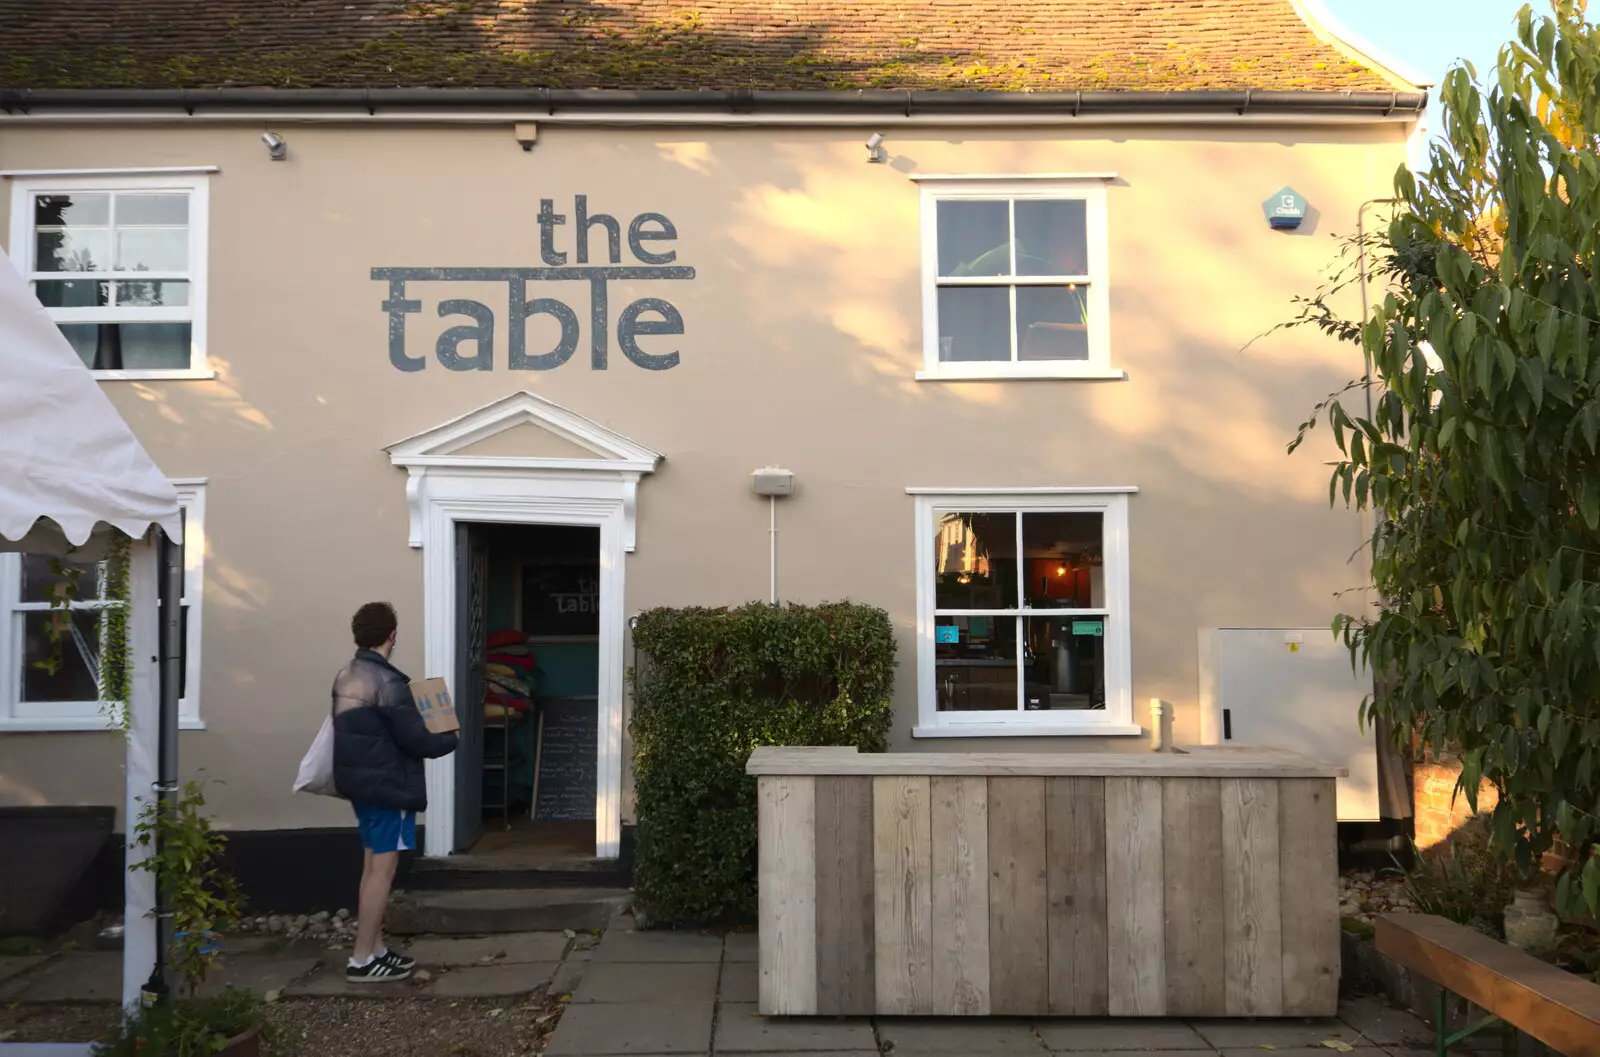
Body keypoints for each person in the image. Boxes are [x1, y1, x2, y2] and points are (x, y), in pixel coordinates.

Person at [331, 601, 458, 981]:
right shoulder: (389, 684)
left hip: (362, 785)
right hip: (390, 787)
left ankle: (375, 949)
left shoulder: (346, 675)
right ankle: (362, 960)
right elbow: (417, 740)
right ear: (392, 634)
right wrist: (451, 738)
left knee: (372, 867)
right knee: (382, 872)